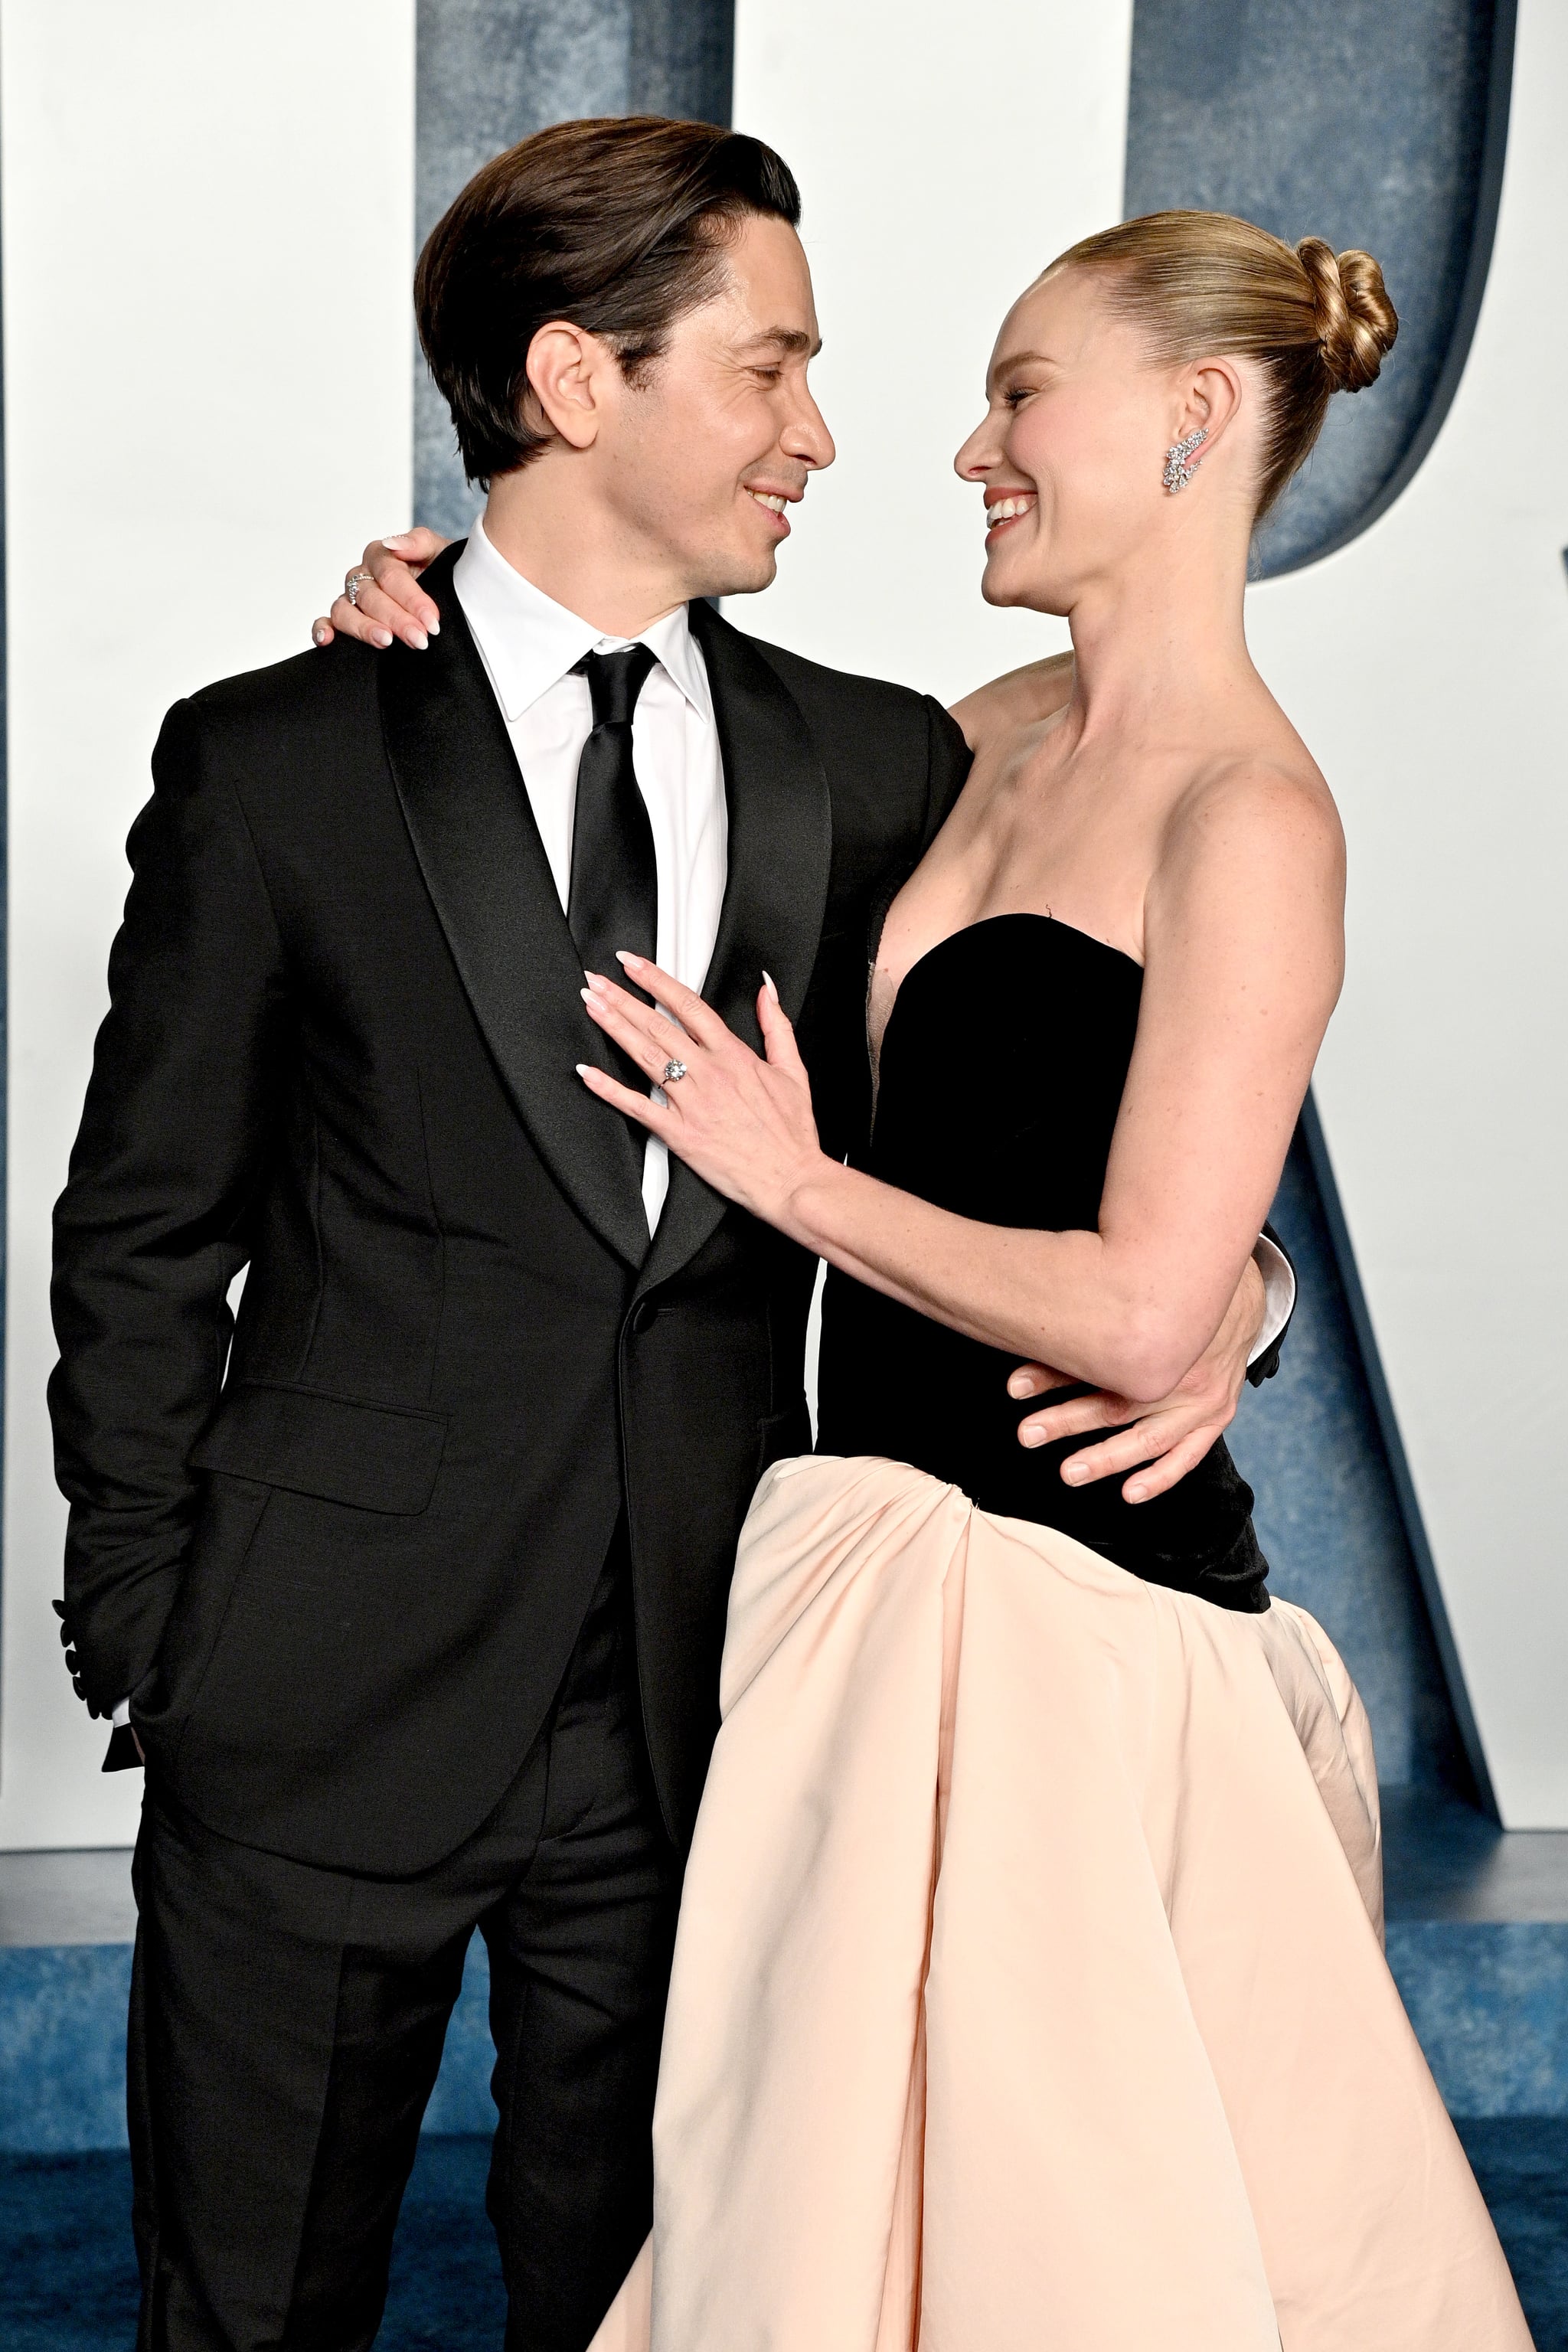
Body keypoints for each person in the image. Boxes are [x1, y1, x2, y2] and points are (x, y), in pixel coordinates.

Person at [47, 125, 1286, 2352]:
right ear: (576, 379)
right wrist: (162, 1624)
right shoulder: (282, 759)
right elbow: (143, 1231)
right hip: (312, 1705)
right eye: (772, 369)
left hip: (714, 1721)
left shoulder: (888, 766)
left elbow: (1073, 1119)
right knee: (241, 2317)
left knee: (665, 2318)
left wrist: (1241, 1308)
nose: (826, 437)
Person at [548, 216, 1529, 2344]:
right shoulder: (976, 732)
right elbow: (590, 707)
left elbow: (1139, 1316)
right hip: (885, 1591)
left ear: (1193, 422)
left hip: (1083, 1650)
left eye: (1019, 392)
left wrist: (800, 1185)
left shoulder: (1255, 821)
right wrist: (408, 611)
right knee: (817, 2234)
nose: (970, 446)